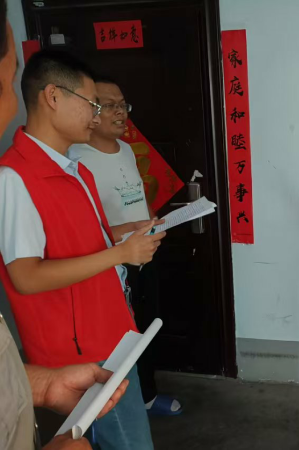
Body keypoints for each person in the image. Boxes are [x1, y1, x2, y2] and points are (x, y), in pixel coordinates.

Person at [0, 49, 166, 450]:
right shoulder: (14, 178)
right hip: (78, 352)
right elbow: (26, 276)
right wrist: (121, 255)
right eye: (91, 104)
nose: (96, 115)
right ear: (53, 97)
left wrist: (126, 232)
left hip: (111, 329)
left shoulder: (75, 170)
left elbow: (85, 238)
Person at [69, 77, 182, 415]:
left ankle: (146, 396)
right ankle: (126, 403)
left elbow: (138, 194)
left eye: (123, 105)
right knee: (121, 337)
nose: (120, 112)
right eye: (109, 105)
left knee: (147, 327)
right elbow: (83, 227)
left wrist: (152, 219)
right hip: (112, 264)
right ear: (90, 110)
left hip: (145, 255)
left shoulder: (128, 150)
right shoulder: (76, 158)